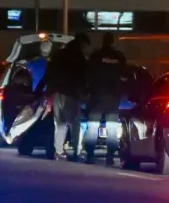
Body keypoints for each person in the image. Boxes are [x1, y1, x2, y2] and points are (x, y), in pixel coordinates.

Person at [43, 33, 90, 160]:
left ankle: (58, 151)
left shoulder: (59, 54)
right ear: (82, 44)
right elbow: (82, 76)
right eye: (86, 46)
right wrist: (85, 92)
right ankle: (77, 150)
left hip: (57, 93)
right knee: (74, 123)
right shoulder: (78, 57)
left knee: (60, 124)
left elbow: (50, 73)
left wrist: (47, 92)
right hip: (71, 94)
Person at [85, 33, 128, 165]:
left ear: (103, 41)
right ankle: (110, 156)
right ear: (113, 42)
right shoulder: (119, 57)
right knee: (112, 126)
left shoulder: (96, 55)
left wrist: (88, 91)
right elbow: (124, 76)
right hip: (113, 97)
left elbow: (88, 74)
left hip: (97, 95)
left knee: (93, 125)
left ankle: (90, 154)